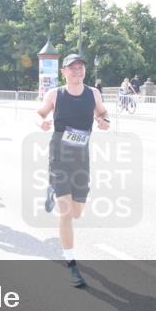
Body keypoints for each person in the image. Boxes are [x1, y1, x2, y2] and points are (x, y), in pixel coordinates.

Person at [35, 53, 110, 287]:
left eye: (81, 67)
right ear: (64, 72)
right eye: (72, 68)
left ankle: (52, 190)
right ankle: (71, 264)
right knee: (66, 212)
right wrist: (42, 123)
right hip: (59, 157)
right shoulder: (55, 94)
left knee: (77, 212)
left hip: (81, 158)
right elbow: (39, 113)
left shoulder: (93, 93)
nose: (77, 71)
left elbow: (103, 113)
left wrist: (104, 121)